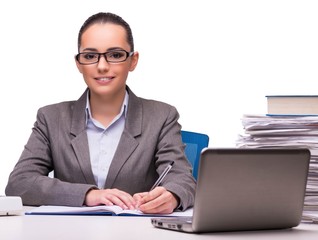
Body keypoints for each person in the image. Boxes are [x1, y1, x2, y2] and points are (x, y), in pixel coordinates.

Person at [5, 12, 195, 214]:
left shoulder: (162, 116)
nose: (102, 66)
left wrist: (172, 195)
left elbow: (182, 179)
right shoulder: (51, 118)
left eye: (115, 55)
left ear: (133, 60)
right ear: (78, 63)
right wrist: (88, 195)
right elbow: (20, 183)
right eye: (90, 56)